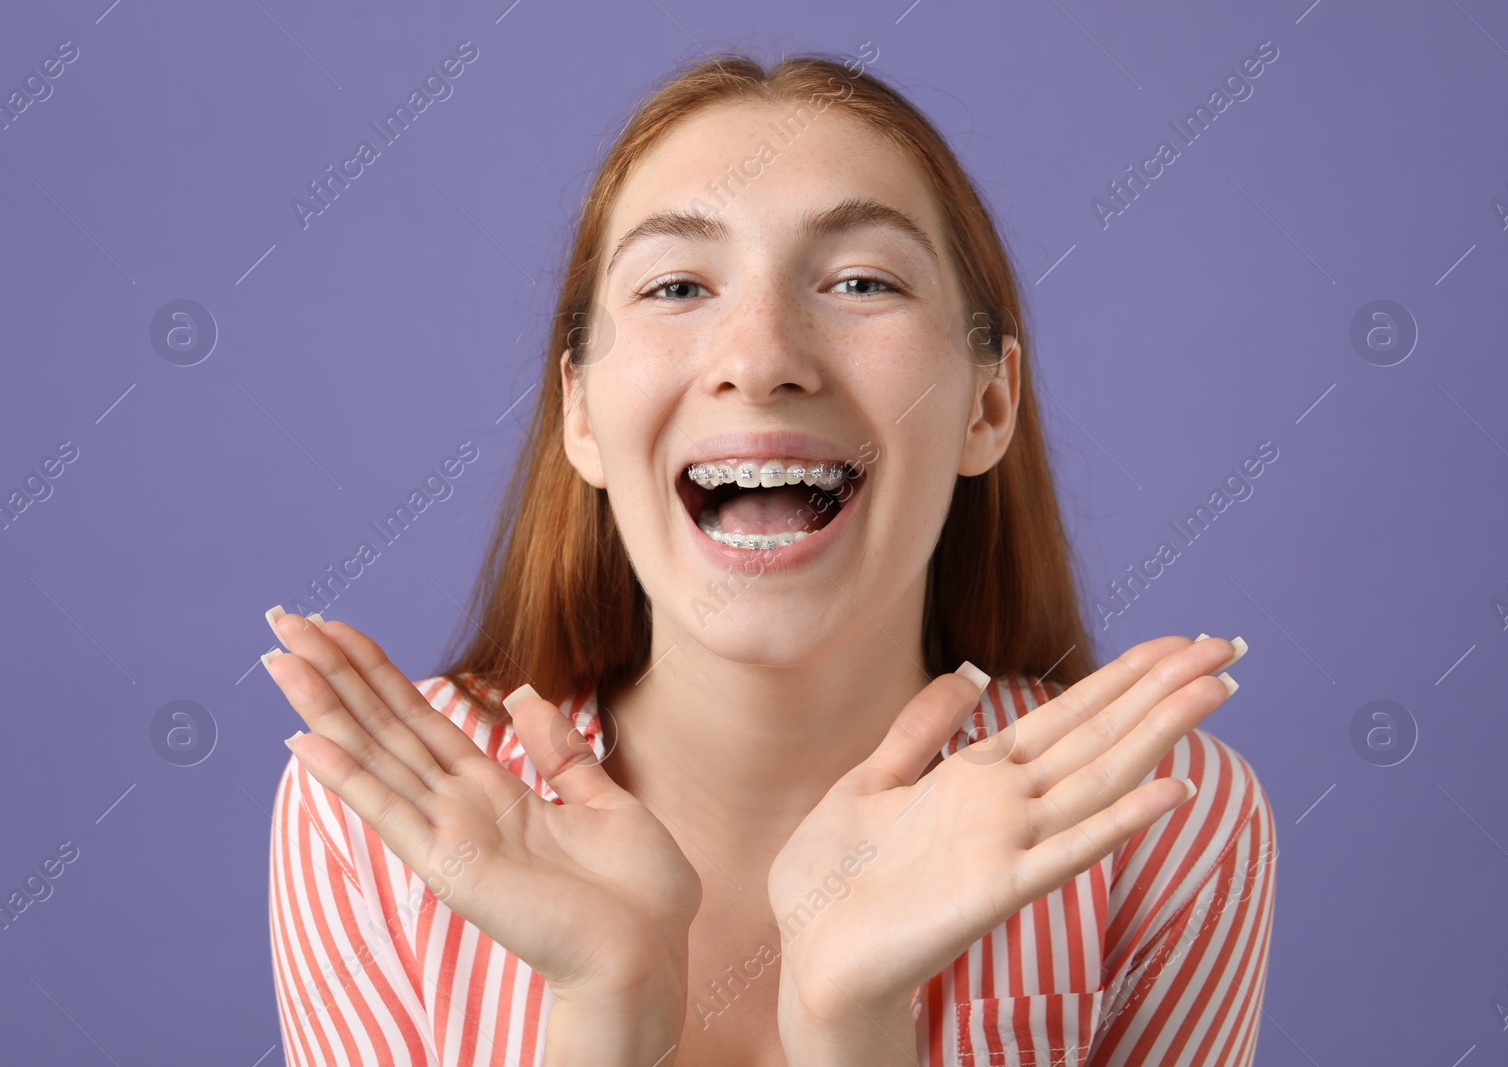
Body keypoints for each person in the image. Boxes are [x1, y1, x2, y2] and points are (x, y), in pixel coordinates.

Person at [261, 51, 1276, 1067]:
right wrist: (603, 1013)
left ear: (987, 404)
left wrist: (854, 1025)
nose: (759, 358)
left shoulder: (1157, 812)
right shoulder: (385, 807)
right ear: (579, 413)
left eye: (860, 280)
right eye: (675, 284)